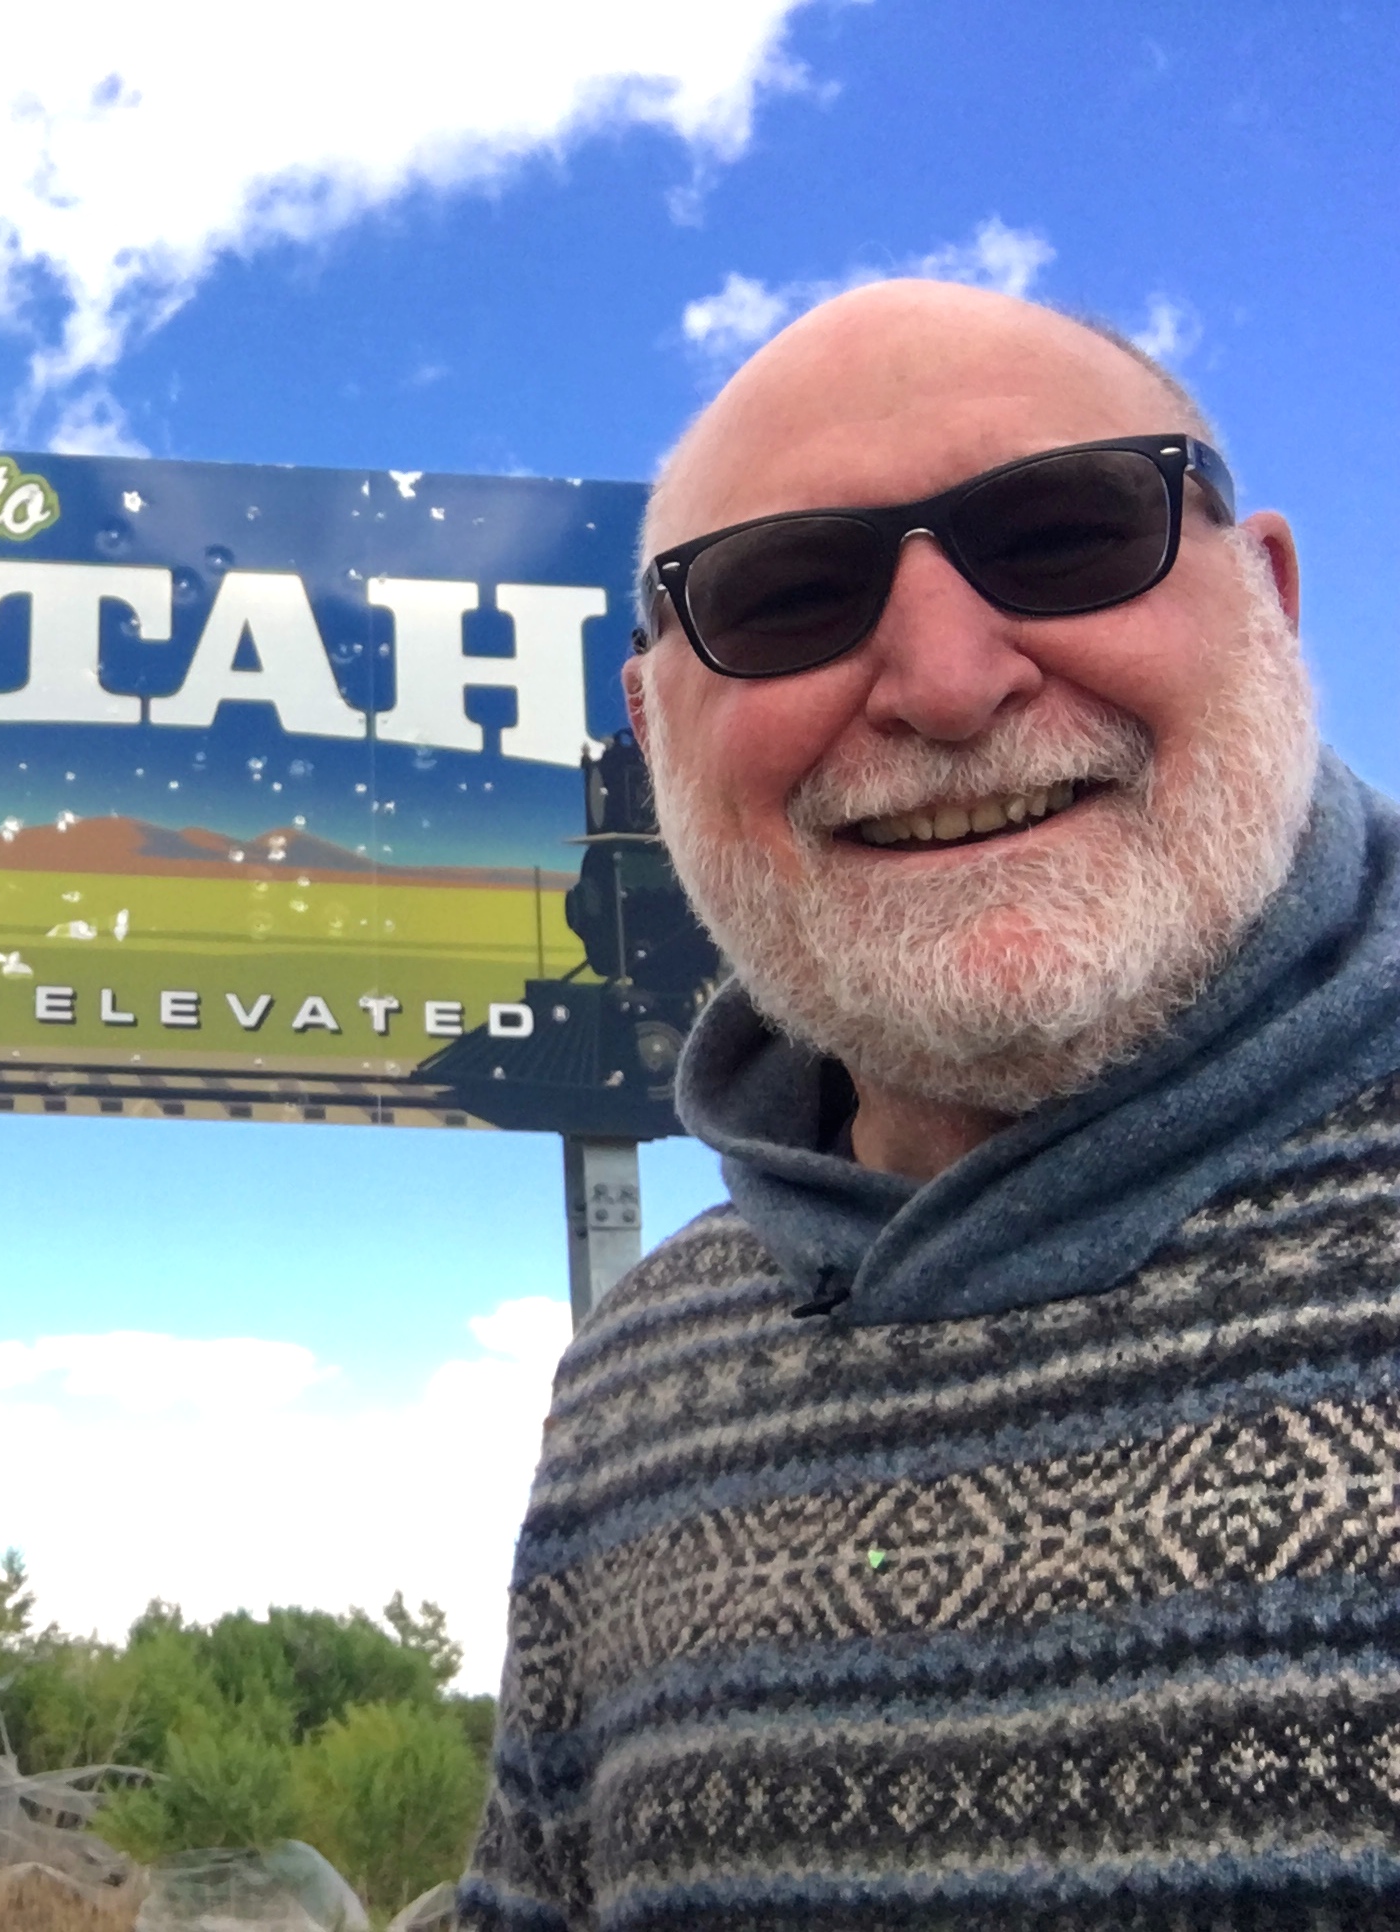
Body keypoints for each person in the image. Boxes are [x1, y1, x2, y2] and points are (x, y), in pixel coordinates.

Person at [462, 280, 1400, 1930]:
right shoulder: (637, 1374)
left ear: (1267, 595)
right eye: (789, 596)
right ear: (651, 729)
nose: (950, 683)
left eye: (1065, 535)